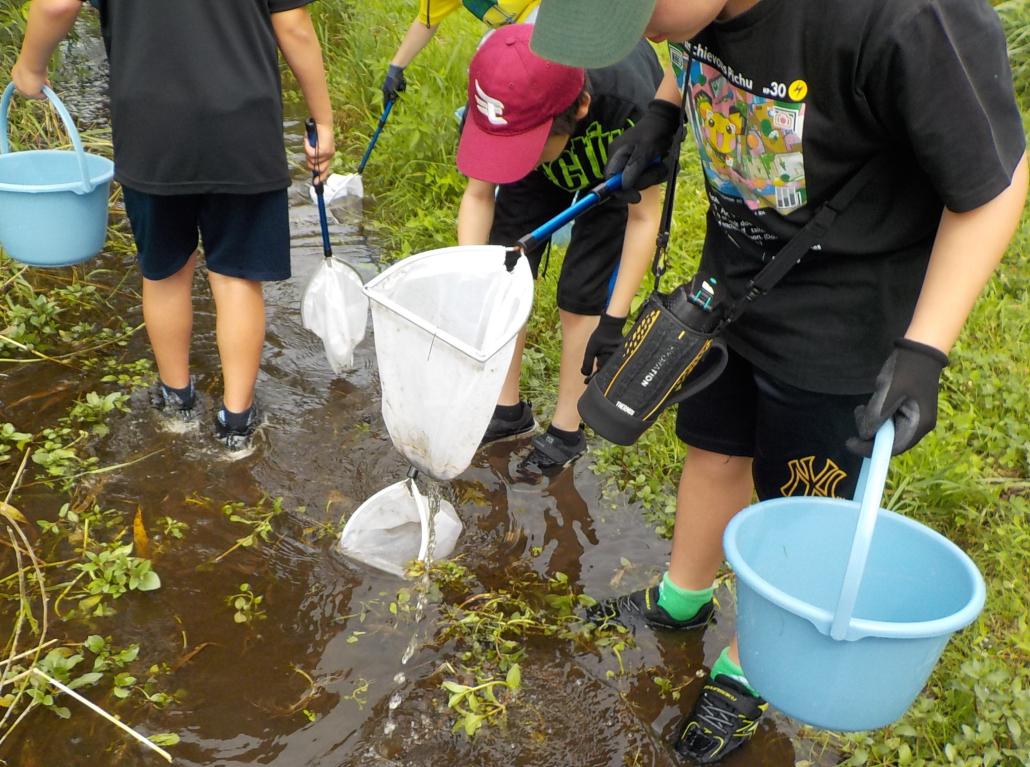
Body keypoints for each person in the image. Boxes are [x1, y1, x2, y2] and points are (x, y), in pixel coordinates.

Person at [529, 0, 1028, 762]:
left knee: (800, 499)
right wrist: (664, 113)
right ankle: (681, 597)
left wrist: (927, 350)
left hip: (845, 317)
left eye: (642, 14)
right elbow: (695, 46)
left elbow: (994, 185)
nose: (645, 37)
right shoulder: (691, 15)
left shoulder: (903, 19)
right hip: (734, 282)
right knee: (713, 443)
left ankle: (750, 663)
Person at [12, 0, 335, 451]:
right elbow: (294, 26)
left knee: (164, 272)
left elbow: (55, 4)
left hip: (151, 128)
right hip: (243, 126)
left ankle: (176, 403)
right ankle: (236, 424)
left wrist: (30, 67)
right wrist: (322, 118)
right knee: (237, 277)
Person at [455, 24, 664, 472]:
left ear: (581, 107)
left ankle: (566, 430)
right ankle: (506, 410)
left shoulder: (634, 107)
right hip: (539, 140)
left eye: (529, 147)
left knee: (580, 294)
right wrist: (471, 279)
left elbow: (644, 217)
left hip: (612, 171)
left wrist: (615, 318)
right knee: (505, 270)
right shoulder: (501, 91)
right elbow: (477, 195)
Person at [381, 0, 540, 107]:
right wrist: (396, 69)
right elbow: (425, 23)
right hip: (517, 28)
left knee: (518, 62)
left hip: (551, 13)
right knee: (483, 67)